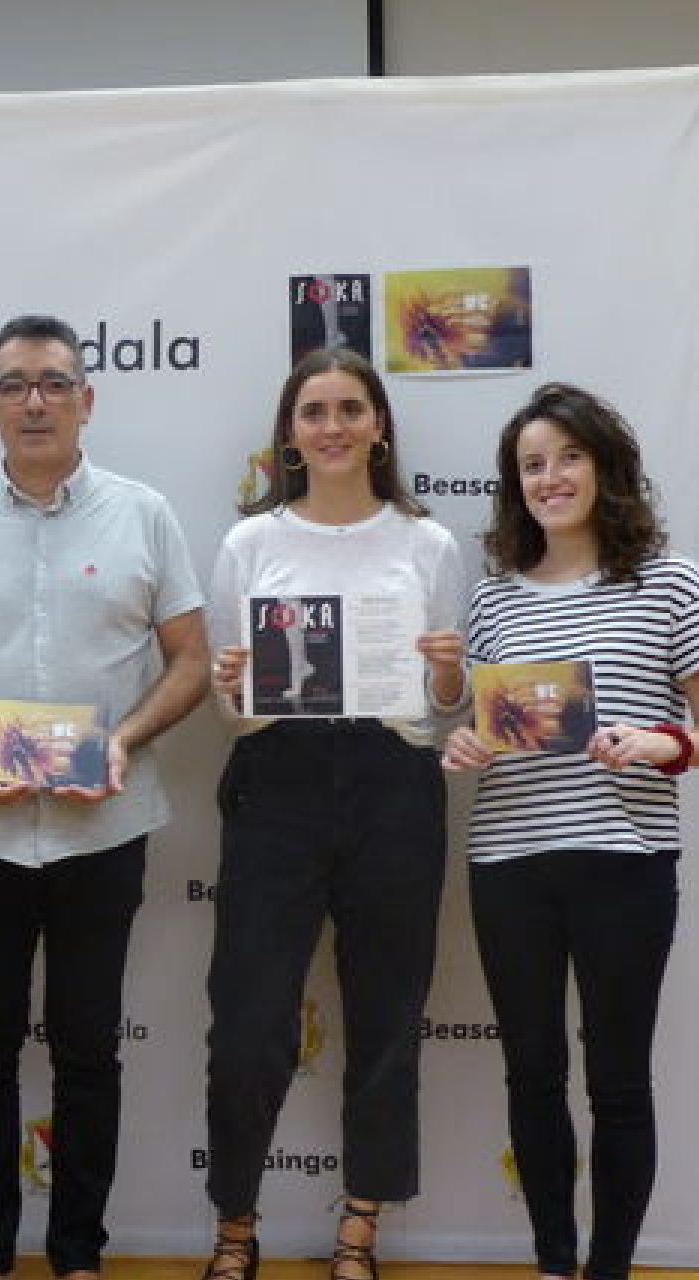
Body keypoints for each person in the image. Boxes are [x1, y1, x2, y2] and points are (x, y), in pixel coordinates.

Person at [0, 315, 210, 1280]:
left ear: (87, 400)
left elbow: (190, 662)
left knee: (88, 1050)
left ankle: (78, 1254)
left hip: (101, 829)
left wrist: (124, 739)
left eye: (54, 383)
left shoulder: (146, 514)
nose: (35, 400)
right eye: (16, 384)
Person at [440, 383, 699, 1280]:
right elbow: (482, 722)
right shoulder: (492, 599)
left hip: (627, 863)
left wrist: (662, 741)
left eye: (568, 457)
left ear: (606, 467)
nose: (550, 477)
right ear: (515, 486)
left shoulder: (673, 580)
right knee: (530, 1075)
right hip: (509, 863)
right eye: (532, 465)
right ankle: (552, 1264)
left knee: (616, 1082)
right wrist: (466, 739)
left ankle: (608, 1268)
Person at [204, 347, 467, 1280]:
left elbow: (442, 714)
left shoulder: (427, 543)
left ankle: (361, 1224)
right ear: (290, 434)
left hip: (393, 780)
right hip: (277, 782)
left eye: (350, 408)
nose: (333, 426)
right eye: (313, 411)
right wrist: (228, 683)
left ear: (380, 425)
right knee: (247, 1019)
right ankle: (236, 1224)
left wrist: (444, 675)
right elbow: (234, 713)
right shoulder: (250, 545)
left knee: (389, 1013)